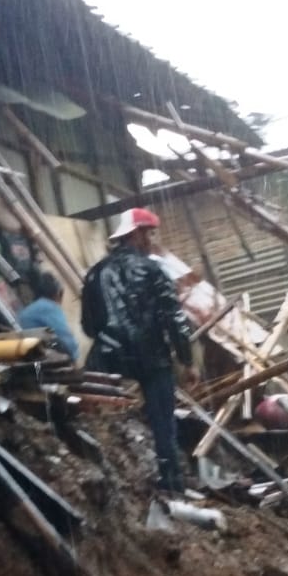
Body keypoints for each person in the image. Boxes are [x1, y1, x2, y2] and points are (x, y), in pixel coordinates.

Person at [80, 207, 198, 493]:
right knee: (163, 423)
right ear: (135, 234)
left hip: (107, 358)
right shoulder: (153, 269)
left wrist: (110, 338)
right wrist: (186, 360)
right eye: (149, 233)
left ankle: (111, 484)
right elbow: (174, 318)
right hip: (151, 357)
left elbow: (88, 325)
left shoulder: (95, 274)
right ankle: (171, 485)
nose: (151, 239)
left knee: (97, 422)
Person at [18, 271, 80, 359]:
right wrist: (74, 357)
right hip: (52, 359)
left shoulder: (27, 311)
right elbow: (66, 339)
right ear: (57, 293)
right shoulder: (49, 306)